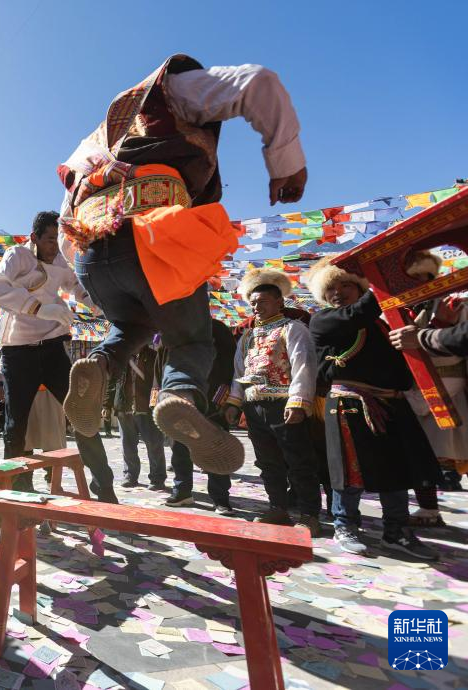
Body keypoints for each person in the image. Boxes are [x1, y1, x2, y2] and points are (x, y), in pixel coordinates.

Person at [57, 55, 307, 478]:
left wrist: (94, 273)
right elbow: (258, 82)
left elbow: (67, 223)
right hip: (153, 234)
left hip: (89, 251)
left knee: (132, 324)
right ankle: (179, 396)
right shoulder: (171, 92)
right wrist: (288, 163)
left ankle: (99, 363)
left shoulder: (92, 143)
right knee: (191, 339)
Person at [305, 256, 440, 559]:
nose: (338, 292)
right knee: (348, 472)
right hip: (350, 403)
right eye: (330, 289)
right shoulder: (324, 320)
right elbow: (361, 311)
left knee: (397, 471)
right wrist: (388, 280)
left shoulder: (380, 324)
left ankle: (396, 530)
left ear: (358, 287)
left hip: (391, 403)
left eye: (345, 285)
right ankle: (345, 525)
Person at [0, 211, 116, 502]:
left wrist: (96, 302)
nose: (54, 246)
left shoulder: (59, 260)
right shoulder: (17, 256)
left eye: (58, 240)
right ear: (34, 237)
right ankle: (17, 487)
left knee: (81, 413)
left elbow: (76, 286)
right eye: (49, 240)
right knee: (16, 423)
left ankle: (103, 484)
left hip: (53, 346)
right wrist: (39, 309)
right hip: (18, 350)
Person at [223, 268, 321, 536]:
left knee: (299, 461)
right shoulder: (247, 336)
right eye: (253, 303)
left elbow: (304, 365)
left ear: (279, 302)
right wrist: (234, 402)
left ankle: (310, 514)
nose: (256, 307)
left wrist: (298, 402)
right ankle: (277, 507)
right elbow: (239, 371)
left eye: (262, 302)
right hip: (255, 406)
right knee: (268, 462)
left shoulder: (293, 328)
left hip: (285, 405)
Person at [398, 251, 466, 520]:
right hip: (412, 387)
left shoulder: (453, 304)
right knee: (419, 453)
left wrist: (427, 335)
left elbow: (460, 342)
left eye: (421, 279)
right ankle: (428, 508)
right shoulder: (396, 310)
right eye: (409, 280)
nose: (415, 285)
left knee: (447, 451)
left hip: (448, 386)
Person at [164, 321, 237, 515]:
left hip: (213, 400)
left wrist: (223, 400)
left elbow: (231, 366)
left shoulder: (218, 329)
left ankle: (220, 498)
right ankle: (182, 491)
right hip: (183, 398)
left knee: (217, 449)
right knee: (180, 447)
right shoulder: (178, 328)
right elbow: (168, 364)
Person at [110, 344, 166, 490]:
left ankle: (157, 478)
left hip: (147, 407)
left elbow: (161, 381)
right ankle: (130, 475)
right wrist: (106, 405)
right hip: (124, 406)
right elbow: (112, 381)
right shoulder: (121, 357)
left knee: (154, 443)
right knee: (127, 445)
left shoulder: (154, 357)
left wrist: (158, 404)